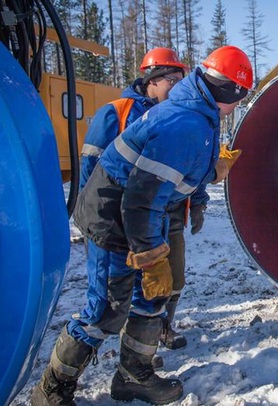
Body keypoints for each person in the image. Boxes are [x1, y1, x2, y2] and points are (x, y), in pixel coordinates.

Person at [31, 45, 252, 406]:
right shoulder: (185, 123)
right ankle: (52, 388)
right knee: (105, 310)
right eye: (239, 99)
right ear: (229, 92)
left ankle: (135, 376)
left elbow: (175, 173)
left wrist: (213, 171)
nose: (237, 107)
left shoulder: (199, 113)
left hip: (141, 214)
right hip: (112, 217)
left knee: (151, 297)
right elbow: (141, 198)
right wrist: (149, 256)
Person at [79, 47, 200, 352]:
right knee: (117, 295)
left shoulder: (177, 116)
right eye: (171, 79)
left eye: (180, 79)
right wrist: (94, 221)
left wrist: (197, 201)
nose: (177, 86)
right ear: (151, 79)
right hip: (119, 218)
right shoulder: (116, 113)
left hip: (166, 214)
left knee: (167, 282)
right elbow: (91, 170)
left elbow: (188, 164)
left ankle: (156, 335)